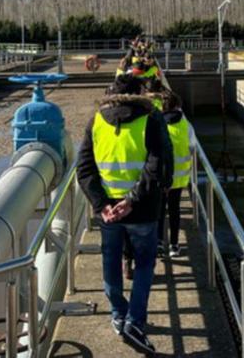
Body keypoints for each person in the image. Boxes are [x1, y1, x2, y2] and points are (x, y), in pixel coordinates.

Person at [77, 75, 170, 354]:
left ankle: (118, 315)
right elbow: (158, 165)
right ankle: (135, 322)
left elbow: (84, 167)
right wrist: (131, 200)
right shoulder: (151, 118)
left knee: (110, 261)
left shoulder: (97, 120)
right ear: (138, 92)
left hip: (109, 214)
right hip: (141, 209)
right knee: (143, 265)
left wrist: (101, 203)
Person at [157, 92, 194, 257]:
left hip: (161, 176)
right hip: (179, 177)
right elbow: (192, 147)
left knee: (159, 210)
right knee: (174, 210)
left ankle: (158, 242)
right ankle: (174, 245)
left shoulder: (156, 124)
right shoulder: (186, 125)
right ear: (178, 106)